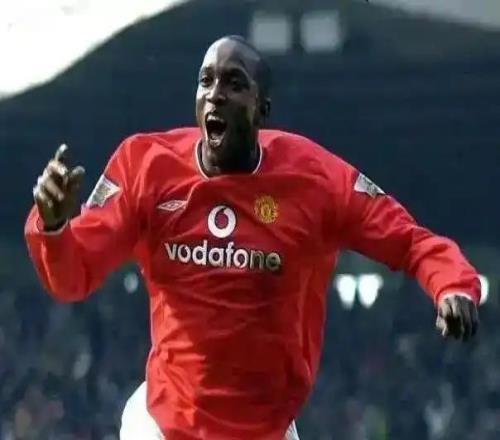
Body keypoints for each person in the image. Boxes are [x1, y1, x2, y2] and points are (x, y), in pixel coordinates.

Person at [25, 35, 480, 440]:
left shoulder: (316, 180)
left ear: (262, 109)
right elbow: (72, 277)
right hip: (164, 425)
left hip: (266, 429)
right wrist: (54, 226)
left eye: (234, 83)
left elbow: (409, 241)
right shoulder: (145, 166)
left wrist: (452, 284)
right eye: (205, 81)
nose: (215, 94)